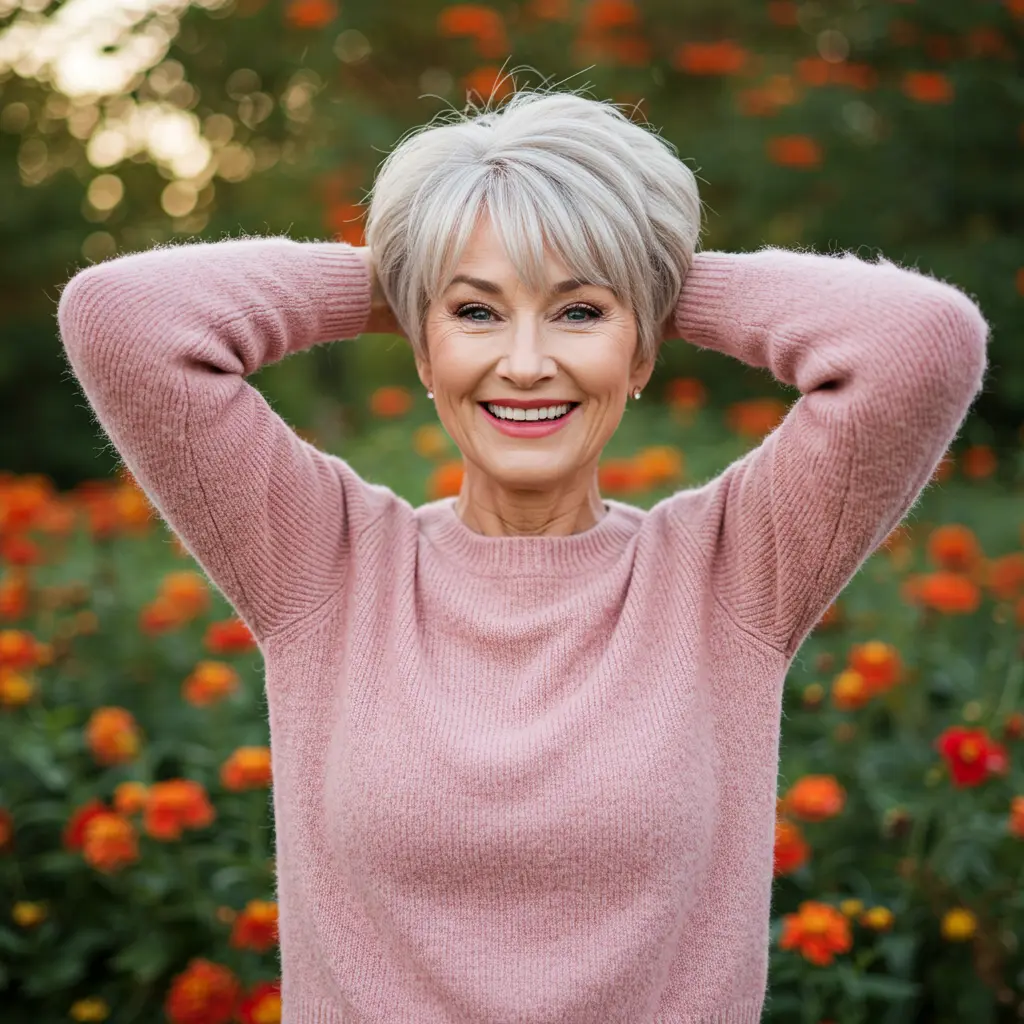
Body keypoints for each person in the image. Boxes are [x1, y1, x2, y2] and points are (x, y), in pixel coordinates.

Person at [56, 87, 988, 1023]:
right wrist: (412, 279)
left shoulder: (729, 575)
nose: (528, 361)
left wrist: (645, 272)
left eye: (580, 315)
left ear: (643, 353)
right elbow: (123, 317)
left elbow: (917, 343)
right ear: (424, 353)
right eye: (477, 314)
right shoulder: (324, 566)